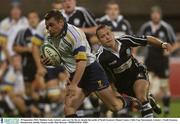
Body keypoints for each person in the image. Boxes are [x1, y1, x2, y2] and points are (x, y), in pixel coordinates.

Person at [40, 10, 141, 117]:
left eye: (51, 25)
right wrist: (47, 61)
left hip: (91, 70)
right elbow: (62, 57)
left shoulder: (74, 34)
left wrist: (74, 84)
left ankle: (129, 101)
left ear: (61, 22)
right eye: (47, 26)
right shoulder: (51, 36)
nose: (49, 29)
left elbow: (82, 62)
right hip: (76, 73)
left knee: (114, 107)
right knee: (69, 108)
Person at [95, 25, 171, 117]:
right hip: (123, 85)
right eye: (103, 36)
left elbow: (147, 39)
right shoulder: (100, 58)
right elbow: (109, 80)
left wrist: (162, 44)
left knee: (141, 98)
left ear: (112, 33)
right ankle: (149, 101)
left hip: (137, 73)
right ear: (99, 41)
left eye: (108, 33)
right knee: (140, 103)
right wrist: (115, 93)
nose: (107, 37)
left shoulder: (125, 40)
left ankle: (147, 107)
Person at [138, 6, 176, 116]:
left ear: (160, 15)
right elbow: (137, 39)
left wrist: (169, 50)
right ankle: (149, 109)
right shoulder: (146, 27)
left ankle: (166, 109)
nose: (155, 16)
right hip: (149, 59)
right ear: (151, 15)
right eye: (153, 14)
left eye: (157, 14)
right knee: (147, 84)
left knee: (164, 86)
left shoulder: (166, 27)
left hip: (162, 61)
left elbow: (175, 42)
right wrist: (134, 52)